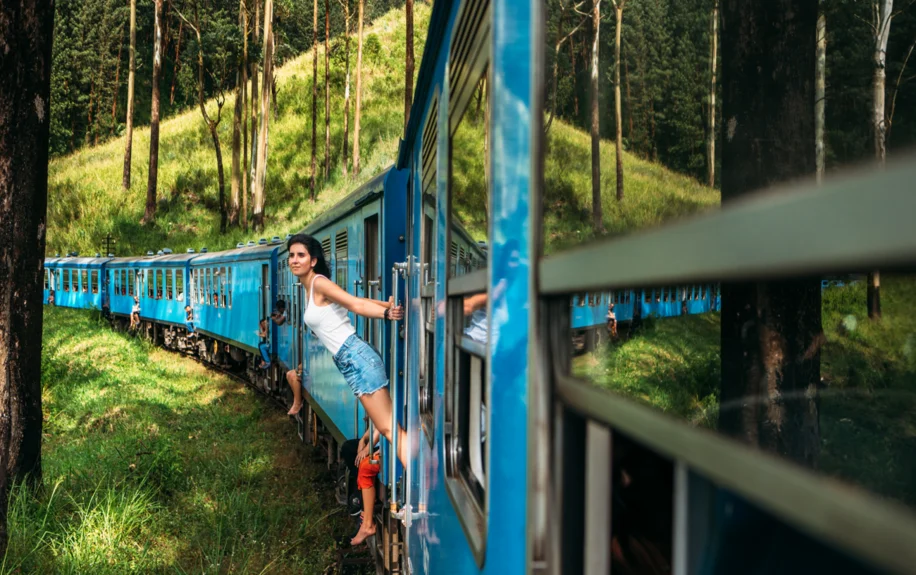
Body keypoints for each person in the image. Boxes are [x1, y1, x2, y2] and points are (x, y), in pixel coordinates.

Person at [285, 233, 407, 468]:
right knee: (388, 427)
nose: (295, 260)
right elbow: (352, 299)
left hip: (356, 357)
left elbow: (355, 305)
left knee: (389, 428)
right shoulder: (310, 287)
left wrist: (386, 314)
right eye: (292, 255)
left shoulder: (318, 282)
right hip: (351, 360)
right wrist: (386, 304)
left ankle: (419, 495)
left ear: (313, 261)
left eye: (301, 255)